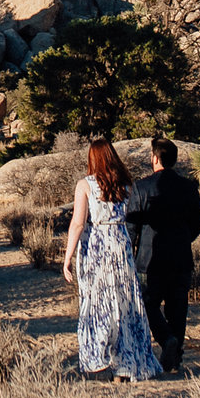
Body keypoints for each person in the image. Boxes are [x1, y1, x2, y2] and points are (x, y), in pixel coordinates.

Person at [62, 135, 161, 381]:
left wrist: (68, 256)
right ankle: (126, 361)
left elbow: (77, 223)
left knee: (98, 302)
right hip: (121, 244)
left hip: (97, 246)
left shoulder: (85, 185)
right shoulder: (126, 185)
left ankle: (100, 359)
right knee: (124, 301)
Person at [125, 136, 200, 373]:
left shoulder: (141, 187)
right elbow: (198, 223)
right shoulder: (189, 187)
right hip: (181, 258)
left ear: (154, 158)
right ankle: (175, 356)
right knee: (178, 308)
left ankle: (167, 340)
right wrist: (183, 239)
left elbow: (132, 226)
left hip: (150, 261)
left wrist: (130, 253)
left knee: (148, 305)